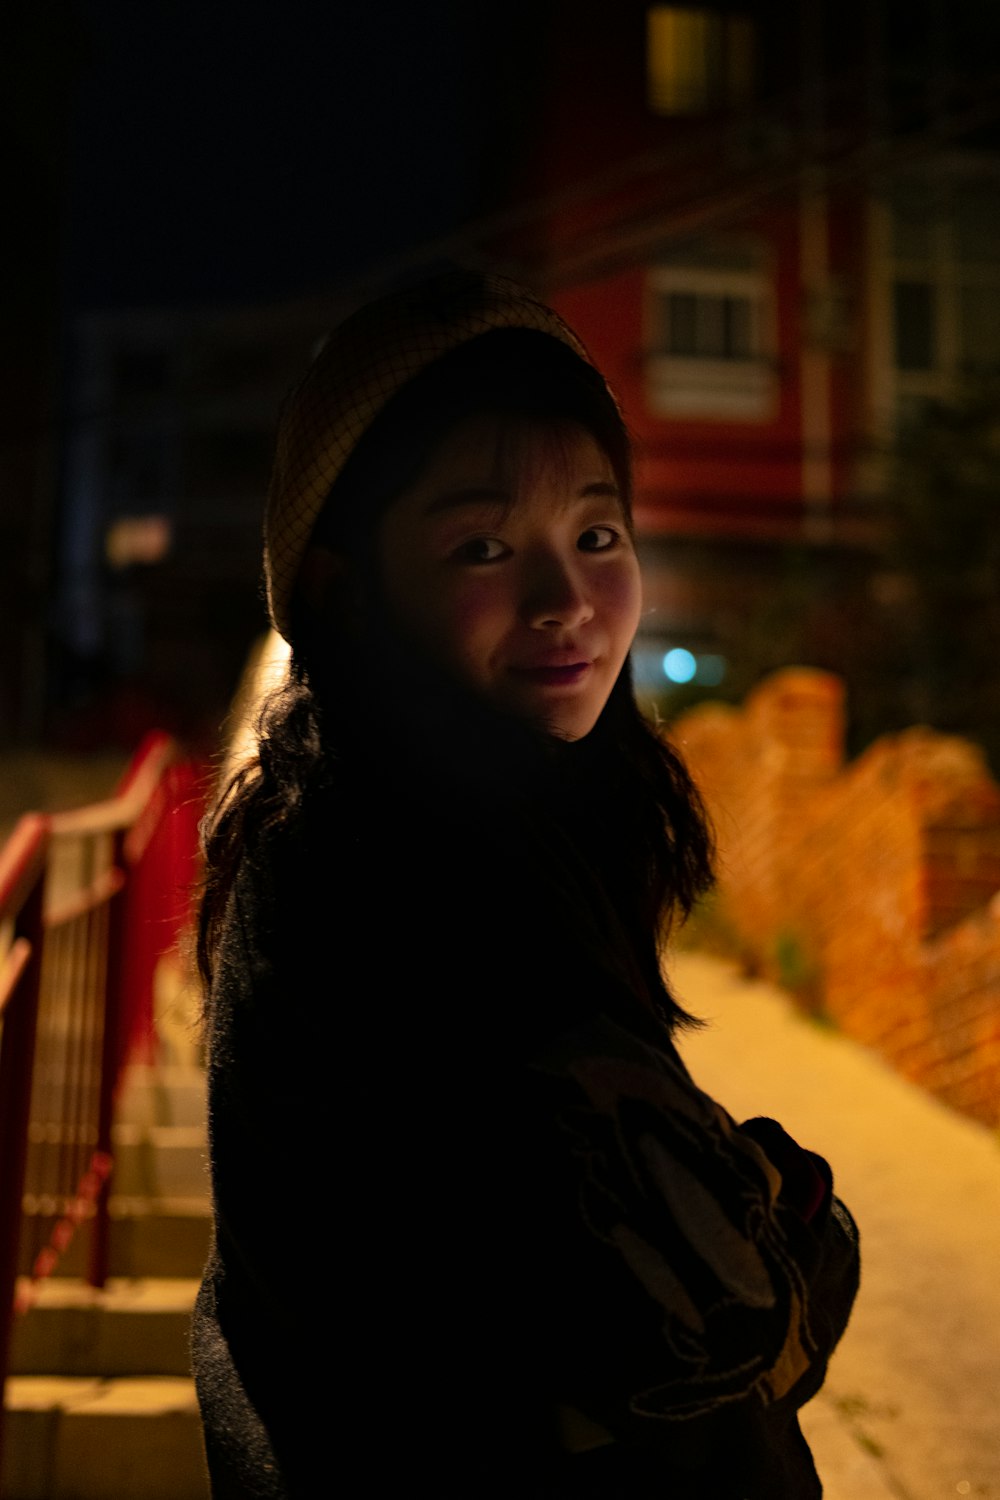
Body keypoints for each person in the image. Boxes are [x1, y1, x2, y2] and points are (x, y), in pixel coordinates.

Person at [191, 269, 860, 1499]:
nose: (568, 603)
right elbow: (709, 1320)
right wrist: (790, 1207)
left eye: (595, 535)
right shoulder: (398, 884)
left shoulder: (441, 826)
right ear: (343, 585)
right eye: (485, 545)